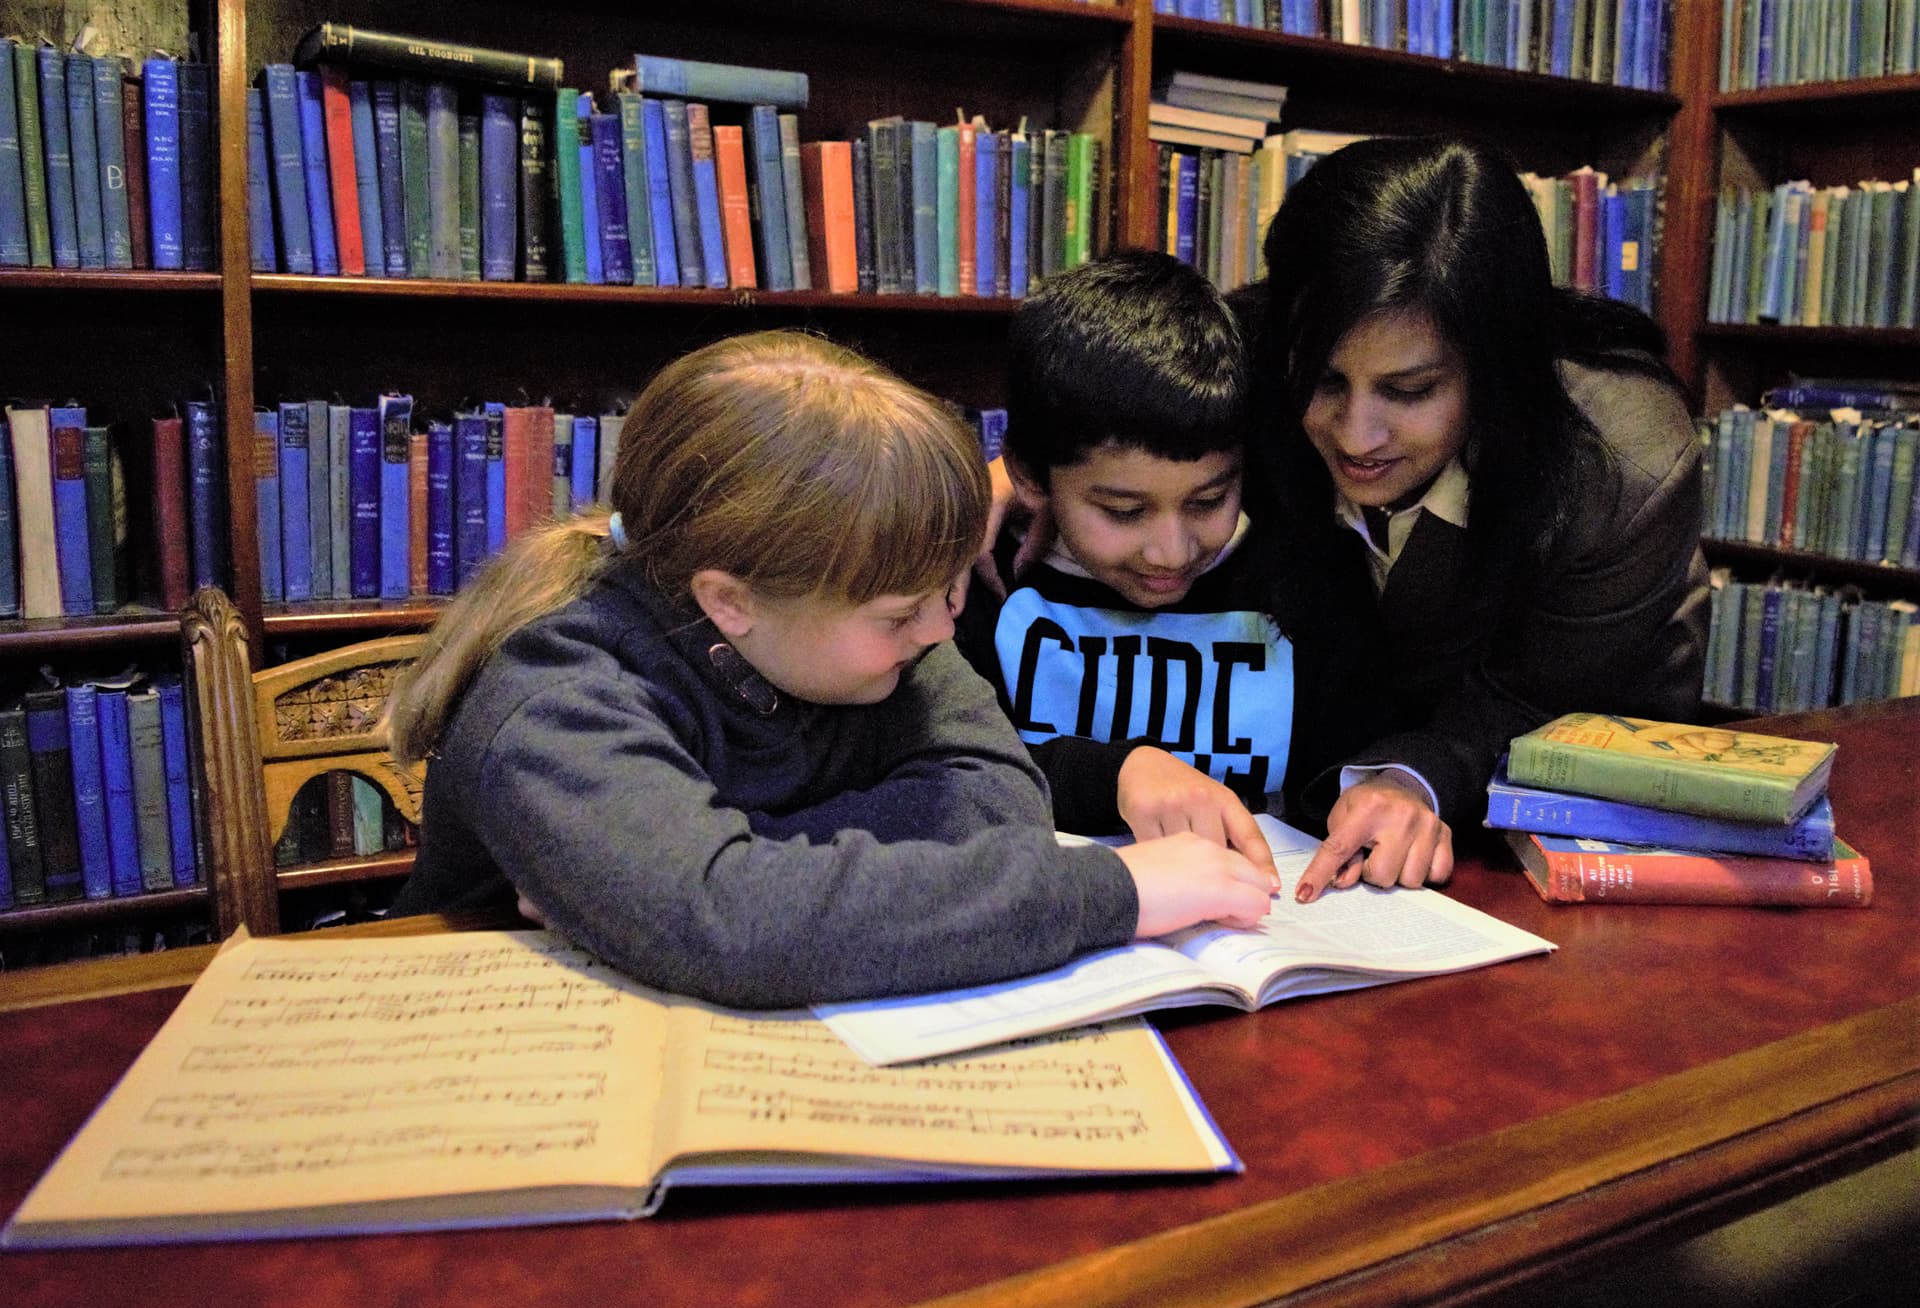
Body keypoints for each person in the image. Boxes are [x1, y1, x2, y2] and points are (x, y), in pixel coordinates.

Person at [388, 330, 1276, 1010]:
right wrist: (1107, 892)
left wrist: (708, 874)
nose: (941, 627)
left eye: (949, 590)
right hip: (497, 1055)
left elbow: (1001, 804)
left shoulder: (890, 631)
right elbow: (730, 927)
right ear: (730, 603)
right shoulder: (555, 693)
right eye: (901, 612)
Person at [1234, 135, 1710, 898]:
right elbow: (1116, 426)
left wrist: (1410, 775)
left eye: (1410, 390)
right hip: (1331, 787)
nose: (1356, 436)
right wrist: (1019, 477)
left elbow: (1540, 696)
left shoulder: (1626, 464)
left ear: (1494, 370)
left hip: (1554, 790)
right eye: (1325, 380)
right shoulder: (1254, 342)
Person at [956, 250, 1383, 874]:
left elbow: (1350, 768)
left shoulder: (1307, 574)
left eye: (1208, 500)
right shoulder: (981, 581)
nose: (1171, 551)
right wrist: (1115, 775)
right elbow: (948, 771)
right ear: (1028, 475)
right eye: (1124, 511)